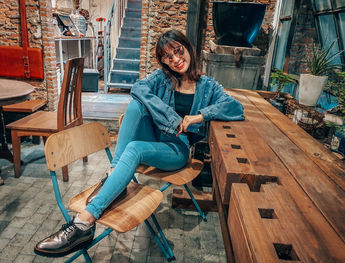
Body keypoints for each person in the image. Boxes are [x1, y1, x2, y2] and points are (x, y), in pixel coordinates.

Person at [34, 29, 245, 257]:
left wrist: (200, 115)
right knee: (136, 104)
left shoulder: (207, 86)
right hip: (154, 136)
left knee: (134, 148)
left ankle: (84, 222)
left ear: (187, 47)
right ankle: (115, 173)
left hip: (176, 148)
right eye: (168, 57)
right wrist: (172, 118)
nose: (176, 59)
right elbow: (138, 88)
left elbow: (236, 108)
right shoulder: (163, 78)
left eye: (178, 51)